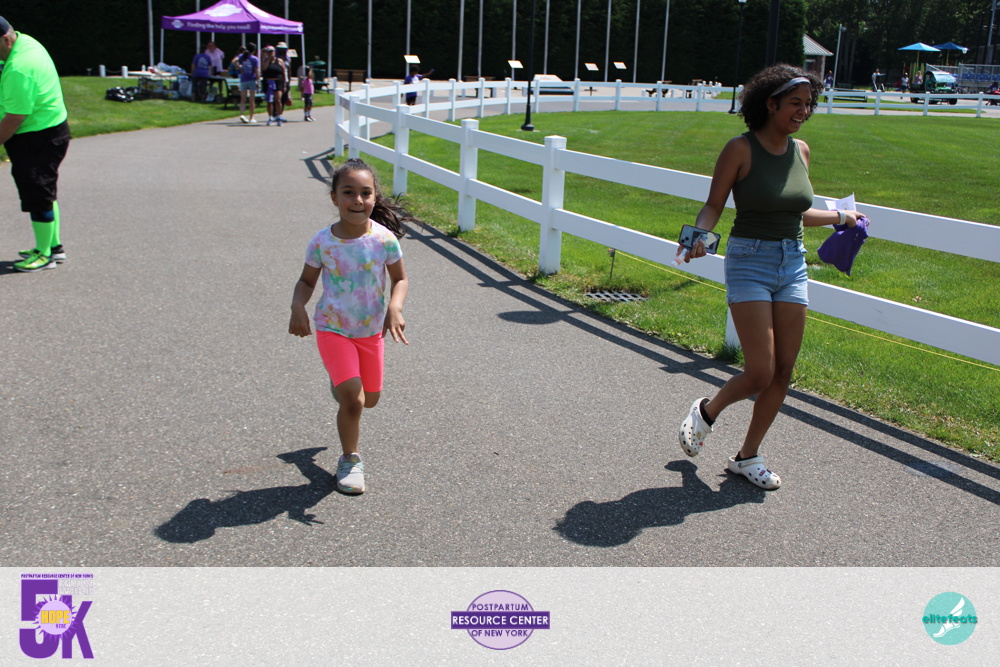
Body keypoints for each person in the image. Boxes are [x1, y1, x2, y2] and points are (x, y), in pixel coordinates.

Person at [675, 64, 863, 490]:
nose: (804, 111)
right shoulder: (740, 149)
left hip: (792, 263)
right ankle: (706, 412)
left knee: (783, 371)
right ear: (771, 103)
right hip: (749, 260)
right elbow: (714, 205)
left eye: (809, 104)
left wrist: (841, 216)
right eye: (796, 102)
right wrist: (699, 236)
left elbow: (798, 210)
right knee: (760, 371)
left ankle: (748, 456)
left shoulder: (802, 151)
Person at [288, 159, 415, 494]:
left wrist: (395, 307)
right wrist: (298, 306)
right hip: (333, 329)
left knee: (369, 399)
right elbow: (306, 281)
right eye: (348, 192)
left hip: (370, 333)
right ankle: (350, 460)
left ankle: (341, 385)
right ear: (334, 197)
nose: (357, 200)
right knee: (354, 402)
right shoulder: (322, 242)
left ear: (374, 198)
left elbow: (400, 279)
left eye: (365, 193)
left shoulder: (384, 240)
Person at [0, 16, 71, 273]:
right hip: (50, 130)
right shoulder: (26, 42)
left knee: (38, 193)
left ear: (5, 40)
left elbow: (14, 118)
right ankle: (54, 247)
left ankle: (44, 255)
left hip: (37, 137)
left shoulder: (20, 68)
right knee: (45, 191)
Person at [260, 45, 288, 125]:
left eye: (271, 52)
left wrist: (284, 84)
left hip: (278, 82)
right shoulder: (264, 61)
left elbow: (283, 73)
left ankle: (279, 116)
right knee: (269, 101)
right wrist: (268, 60)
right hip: (268, 82)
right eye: (269, 52)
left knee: (278, 100)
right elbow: (263, 69)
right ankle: (270, 117)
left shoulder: (279, 61)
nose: (270, 53)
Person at [237, 43, 259, 124]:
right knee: (252, 99)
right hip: (252, 79)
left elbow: (234, 61)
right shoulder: (255, 59)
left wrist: (240, 68)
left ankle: (242, 114)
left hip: (243, 79)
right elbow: (256, 71)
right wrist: (258, 81)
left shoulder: (242, 57)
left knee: (243, 99)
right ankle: (251, 117)